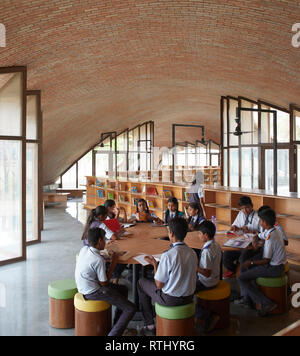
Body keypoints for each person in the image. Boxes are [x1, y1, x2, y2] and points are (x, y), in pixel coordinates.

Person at [137, 218, 198, 336]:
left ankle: (149, 323)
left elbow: (159, 285)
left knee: (141, 283)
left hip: (170, 299)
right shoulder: (192, 253)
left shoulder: (168, 255)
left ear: (172, 233)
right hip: (189, 297)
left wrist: (155, 265)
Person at [75, 228, 136, 336]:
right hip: (93, 291)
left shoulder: (84, 249)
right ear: (99, 241)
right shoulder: (98, 259)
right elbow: (105, 284)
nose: (106, 242)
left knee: (123, 289)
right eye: (104, 240)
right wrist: (114, 262)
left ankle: (117, 323)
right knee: (130, 308)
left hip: (84, 286)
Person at [237, 208, 287, 316]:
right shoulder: (274, 230)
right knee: (245, 268)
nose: (259, 222)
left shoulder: (270, 238)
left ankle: (265, 303)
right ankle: (248, 299)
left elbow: (266, 260)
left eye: (260, 220)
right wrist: (255, 237)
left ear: (264, 222)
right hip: (276, 264)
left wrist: (250, 263)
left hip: (274, 268)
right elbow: (261, 235)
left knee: (242, 277)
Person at [223, 196, 261, 279]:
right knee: (225, 256)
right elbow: (236, 226)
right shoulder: (241, 214)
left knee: (242, 258)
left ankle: (240, 274)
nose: (244, 211)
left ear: (252, 206)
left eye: (247, 207)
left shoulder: (258, 216)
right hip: (240, 242)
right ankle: (234, 270)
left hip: (251, 245)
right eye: (242, 208)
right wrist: (235, 228)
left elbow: (263, 234)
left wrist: (252, 232)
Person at [196, 220, 222, 332]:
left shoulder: (207, 251)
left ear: (206, 235)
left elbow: (206, 273)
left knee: (184, 293)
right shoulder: (215, 244)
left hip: (207, 282)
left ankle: (206, 315)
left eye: (200, 233)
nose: (198, 236)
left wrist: (194, 266)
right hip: (215, 278)